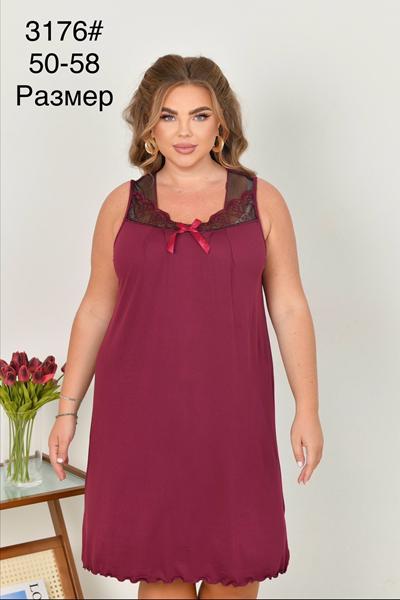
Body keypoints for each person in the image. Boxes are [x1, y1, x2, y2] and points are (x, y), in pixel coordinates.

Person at [48, 54, 324, 600]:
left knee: (236, 573)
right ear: (148, 126)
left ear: (222, 123)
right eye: (168, 116)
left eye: (199, 116)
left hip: (233, 417)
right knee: (161, 576)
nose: (184, 131)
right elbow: (96, 308)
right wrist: (66, 409)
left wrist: (307, 408)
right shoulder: (121, 205)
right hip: (141, 416)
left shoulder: (261, 201)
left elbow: (289, 306)